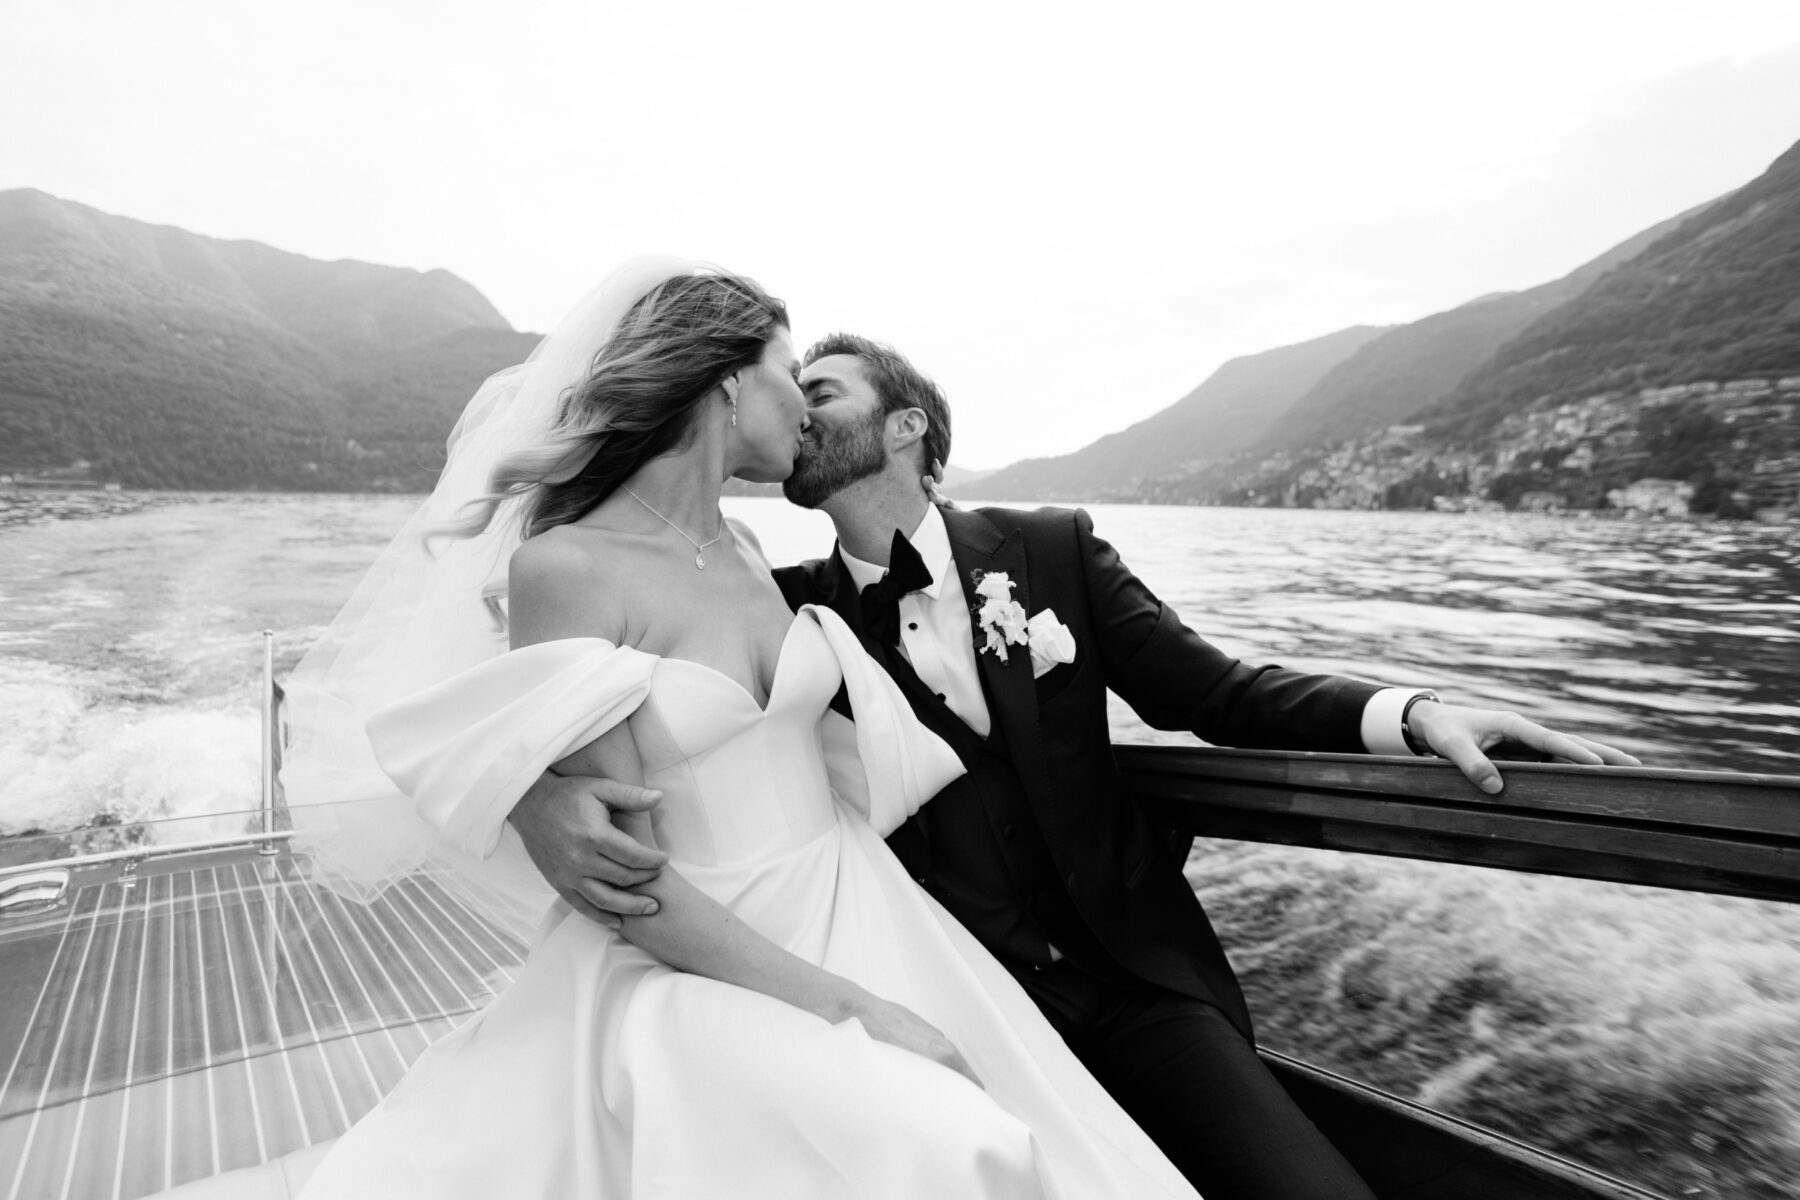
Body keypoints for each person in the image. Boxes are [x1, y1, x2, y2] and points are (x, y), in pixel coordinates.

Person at [511, 332, 1642, 1199]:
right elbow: (590, 681)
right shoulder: (779, 605)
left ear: (906, 427)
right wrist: (540, 796)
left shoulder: (1053, 549)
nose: (799, 412)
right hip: (962, 994)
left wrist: (1416, 710)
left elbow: (1217, 693)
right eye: (790, 390)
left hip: (1134, 985)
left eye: (827, 392)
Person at [282, 259, 1203, 1199]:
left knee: (1058, 1140)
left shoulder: (752, 551)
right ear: (727, 381)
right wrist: (853, 1010)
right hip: (701, 953)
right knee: (949, 1145)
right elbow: (626, 874)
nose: (804, 409)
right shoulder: (566, 570)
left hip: (864, 904)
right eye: (790, 373)